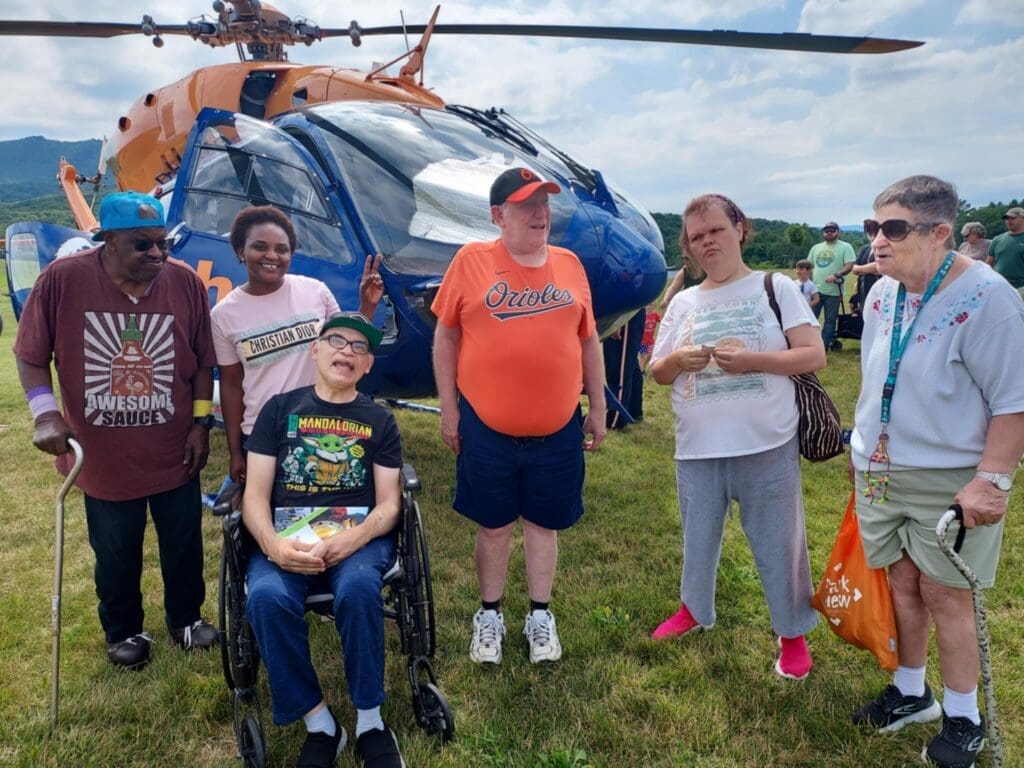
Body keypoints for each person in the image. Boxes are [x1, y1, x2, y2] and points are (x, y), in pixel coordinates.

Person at [849, 176, 1024, 768]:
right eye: (873, 227)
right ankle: (910, 690)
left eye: (893, 228)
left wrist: (992, 480)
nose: (878, 241)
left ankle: (964, 716)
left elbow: (1014, 400)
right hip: (879, 469)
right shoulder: (881, 295)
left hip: (950, 476)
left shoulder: (989, 298)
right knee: (901, 582)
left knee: (945, 593)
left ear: (940, 233)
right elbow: (879, 379)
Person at [14, 191, 218, 670]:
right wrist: (45, 414)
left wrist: (200, 424)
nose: (157, 255)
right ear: (107, 241)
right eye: (142, 245)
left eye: (163, 244)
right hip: (102, 455)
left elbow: (204, 364)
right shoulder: (63, 280)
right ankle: (124, 630)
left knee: (183, 543)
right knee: (116, 550)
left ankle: (186, 619)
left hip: (173, 449)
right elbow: (29, 355)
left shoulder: (183, 282)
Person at [431, 166, 606, 665]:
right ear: (497, 215)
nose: (540, 213)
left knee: (543, 524)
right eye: (526, 205)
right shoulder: (471, 261)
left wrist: (596, 406)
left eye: (544, 204)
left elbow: (588, 339)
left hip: (558, 428)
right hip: (487, 427)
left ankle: (539, 614)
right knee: (493, 526)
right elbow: (446, 336)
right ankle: (489, 615)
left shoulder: (571, 265)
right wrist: (449, 407)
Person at [649, 193, 824, 681]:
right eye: (697, 237)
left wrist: (752, 361)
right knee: (696, 539)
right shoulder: (683, 301)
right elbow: (657, 371)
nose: (708, 243)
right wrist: (677, 361)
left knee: (779, 543)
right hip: (698, 446)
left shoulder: (776, 287)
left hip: (766, 441)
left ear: (740, 229)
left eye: (716, 231)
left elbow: (812, 354)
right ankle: (694, 610)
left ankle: (791, 634)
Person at [242, 313, 406, 768]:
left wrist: (354, 540)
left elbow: (390, 504)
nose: (347, 352)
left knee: (357, 589)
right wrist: (273, 546)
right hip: (287, 533)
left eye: (359, 348)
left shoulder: (379, 420)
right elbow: (254, 495)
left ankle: (371, 722)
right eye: (337, 341)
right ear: (315, 350)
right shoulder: (279, 410)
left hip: (356, 535)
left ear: (368, 365)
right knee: (267, 597)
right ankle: (321, 725)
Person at [211, 205, 382, 484]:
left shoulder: (314, 291)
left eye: (282, 249)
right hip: (262, 430)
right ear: (240, 251)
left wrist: (367, 305)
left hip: (320, 424)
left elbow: (344, 345)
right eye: (260, 246)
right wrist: (235, 451)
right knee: (265, 513)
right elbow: (230, 385)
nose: (272, 256)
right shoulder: (223, 315)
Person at [808, 221, 856, 351]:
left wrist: (836, 275)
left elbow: (849, 265)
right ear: (823, 233)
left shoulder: (846, 247)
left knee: (830, 320)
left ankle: (823, 346)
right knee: (810, 318)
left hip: (834, 292)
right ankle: (808, 343)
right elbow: (809, 266)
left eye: (832, 230)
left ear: (838, 232)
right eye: (826, 231)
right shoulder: (816, 248)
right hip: (815, 291)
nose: (829, 233)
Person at [986, 206, 1024, 298]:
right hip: (999, 286)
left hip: (1021, 288)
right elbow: (989, 264)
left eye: (1013, 218)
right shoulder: (997, 239)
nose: (1008, 221)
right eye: (1007, 218)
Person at [850, 242, 880, 315]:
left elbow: (880, 267)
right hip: (863, 290)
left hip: (879, 290)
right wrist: (871, 269)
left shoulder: (885, 248)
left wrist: (861, 270)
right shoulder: (865, 248)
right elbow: (854, 269)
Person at [639, 303, 662, 370]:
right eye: (648, 305)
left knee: (650, 355)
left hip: (650, 340)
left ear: (654, 306)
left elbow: (662, 321)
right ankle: (641, 370)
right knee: (642, 356)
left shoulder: (655, 315)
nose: (649, 306)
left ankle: (643, 366)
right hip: (642, 340)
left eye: (651, 305)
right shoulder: (642, 316)